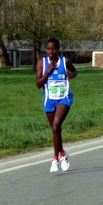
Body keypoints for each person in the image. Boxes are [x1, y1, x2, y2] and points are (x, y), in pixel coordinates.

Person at [36, 38, 78, 172]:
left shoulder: (64, 61)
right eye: (48, 49)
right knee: (56, 130)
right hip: (49, 99)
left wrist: (72, 74)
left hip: (64, 98)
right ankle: (63, 154)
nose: (51, 51)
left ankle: (55, 159)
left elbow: (75, 72)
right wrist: (48, 71)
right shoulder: (42, 63)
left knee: (56, 126)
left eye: (53, 49)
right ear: (45, 49)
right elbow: (38, 84)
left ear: (58, 49)